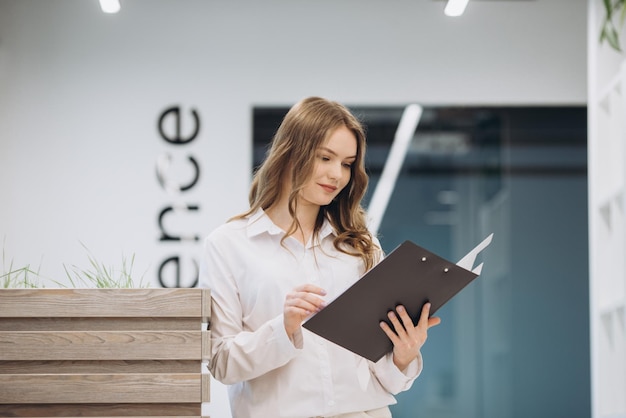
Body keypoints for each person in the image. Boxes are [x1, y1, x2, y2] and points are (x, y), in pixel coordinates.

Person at [200, 96, 441, 418]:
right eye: (325, 158)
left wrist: (403, 355)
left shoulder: (360, 245)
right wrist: (283, 328)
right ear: (290, 152)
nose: (337, 175)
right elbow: (221, 362)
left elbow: (385, 379)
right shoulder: (229, 245)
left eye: (346, 163)